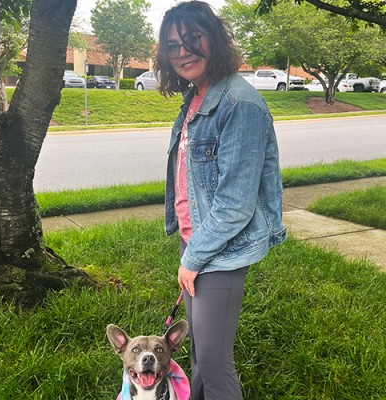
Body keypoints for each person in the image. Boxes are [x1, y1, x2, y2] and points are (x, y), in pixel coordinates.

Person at [154, 2, 287, 399]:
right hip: (197, 241)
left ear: (214, 38)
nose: (183, 52)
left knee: (213, 363)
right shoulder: (197, 96)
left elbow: (234, 204)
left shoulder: (239, 104)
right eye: (173, 45)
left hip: (221, 250)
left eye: (193, 39)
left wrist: (193, 259)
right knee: (199, 356)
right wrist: (188, 248)